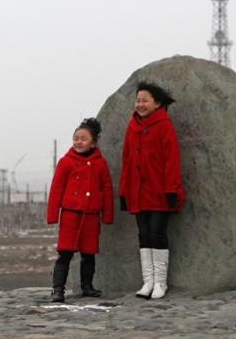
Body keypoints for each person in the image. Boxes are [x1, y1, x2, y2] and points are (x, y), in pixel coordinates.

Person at [118, 82, 185, 299]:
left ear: (157, 103)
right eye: (138, 100)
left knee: (157, 234)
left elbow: (172, 160)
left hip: (159, 192)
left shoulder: (164, 125)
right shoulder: (132, 127)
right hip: (137, 192)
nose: (140, 104)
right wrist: (124, 192)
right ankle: (148, 281)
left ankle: (161, 283)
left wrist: (171, 190)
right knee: (144, 235)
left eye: (145, 100)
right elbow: (126, 161)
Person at [46, 118, 114, 302]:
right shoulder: (66, 162)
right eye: (76, 138)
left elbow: (107, 189)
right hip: (70, 215)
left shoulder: (100, 163)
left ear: (93, 142)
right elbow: (56, 189)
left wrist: (107, 215)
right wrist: (52, 215)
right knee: (65, 253)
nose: (78, 141)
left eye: (83, 138)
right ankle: (58, 289)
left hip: (91, 216)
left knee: (89, 254)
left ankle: (87, 286)